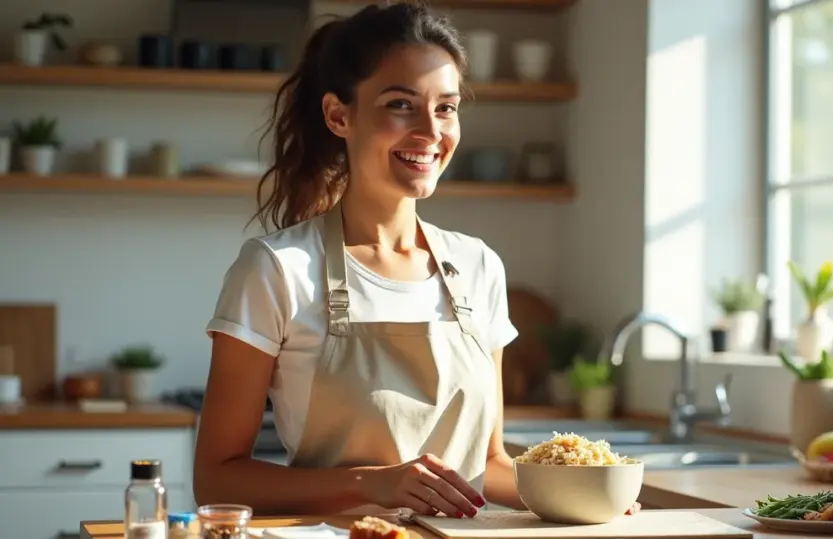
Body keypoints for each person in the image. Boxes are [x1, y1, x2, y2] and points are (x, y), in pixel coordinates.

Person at [192, 1, 640, 518]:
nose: (430, 131)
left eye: (446, 107)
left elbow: (486, 464)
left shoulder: (478, 266)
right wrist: (373, 485)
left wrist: (578, 494)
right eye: (401, 105)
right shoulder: (277, 269)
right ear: (340, 115)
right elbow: (216, 478)